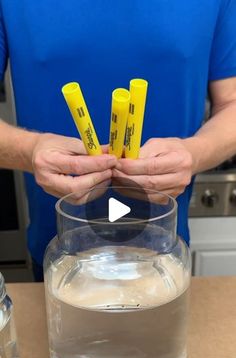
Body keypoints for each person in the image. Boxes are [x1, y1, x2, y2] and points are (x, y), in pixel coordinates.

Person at [0, 1, 236, 280]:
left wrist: (195, 153)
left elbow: (232, 101)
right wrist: (29, 151)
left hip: (163, 251)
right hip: (61, 254)